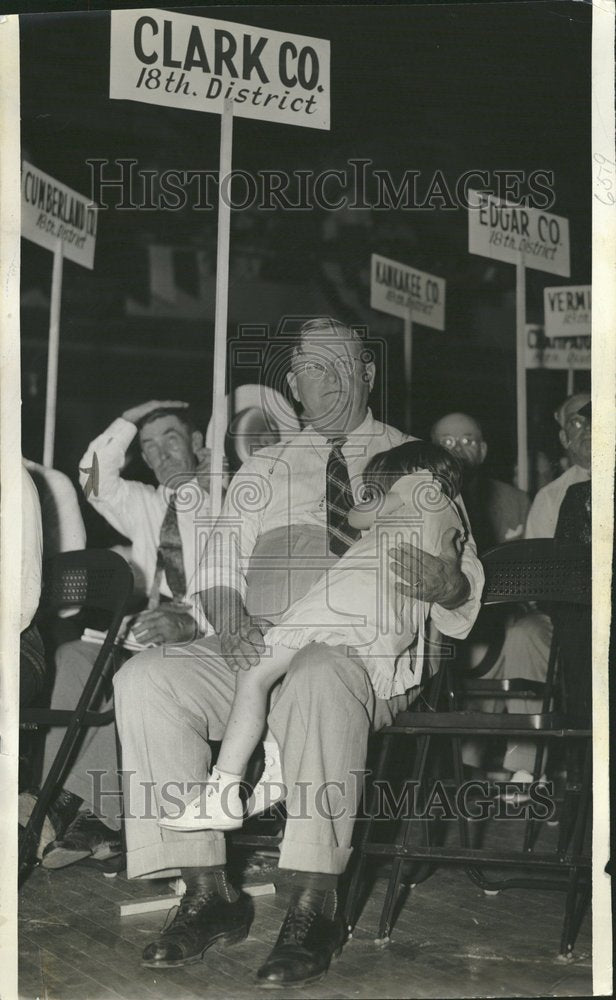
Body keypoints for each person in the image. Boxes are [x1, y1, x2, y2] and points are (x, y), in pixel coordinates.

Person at [113, 318, 483, 987]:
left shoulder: (416, 457)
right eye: (313, 366)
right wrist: (228, 625)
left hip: (363, 658)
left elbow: (462, 575)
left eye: (344, 363)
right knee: (146, 678)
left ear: (368, 373)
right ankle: (206, 892)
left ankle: (314, 899)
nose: (331, 378)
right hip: (257, 642)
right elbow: (219, 572)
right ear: (293, 386)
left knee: (317, 671)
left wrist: (446, 583)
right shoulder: (263, 468)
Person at [158, 441, 465, 832]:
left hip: (339, 608)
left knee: (254, 673)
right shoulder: (451, 517)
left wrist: (372, 497)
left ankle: (224, 790)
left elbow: (355, 517)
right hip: (379, 630)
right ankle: (275, 773)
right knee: (282, 678)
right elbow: (452, 562)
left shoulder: (415, 486)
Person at [21, 400, 213, 869]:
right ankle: (59, 799)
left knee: (136, 675)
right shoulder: (149, 505)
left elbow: (250, 588)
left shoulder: (237, 499)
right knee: (73, 657)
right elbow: (91, 476)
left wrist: (191, 622)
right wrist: (130, 419)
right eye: (148, 447)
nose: (161, 453)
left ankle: (93, 813)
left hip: (211, 633)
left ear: (198, 444)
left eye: (170, 437)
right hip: (147, 628)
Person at [462, 392, 591, 786]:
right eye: (576, 422)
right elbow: (541, 578)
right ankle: (526, 766)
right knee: (524, 632)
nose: (586, 429)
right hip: (569, 615)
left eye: (597, 418)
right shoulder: (554, 496)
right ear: (565, 439)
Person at [430, 411, 529, 552]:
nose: (457, 448)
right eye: (447, 442)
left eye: (467, 441)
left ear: (482, 451)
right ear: (433, 454)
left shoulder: (516, 501)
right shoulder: (423, 501)